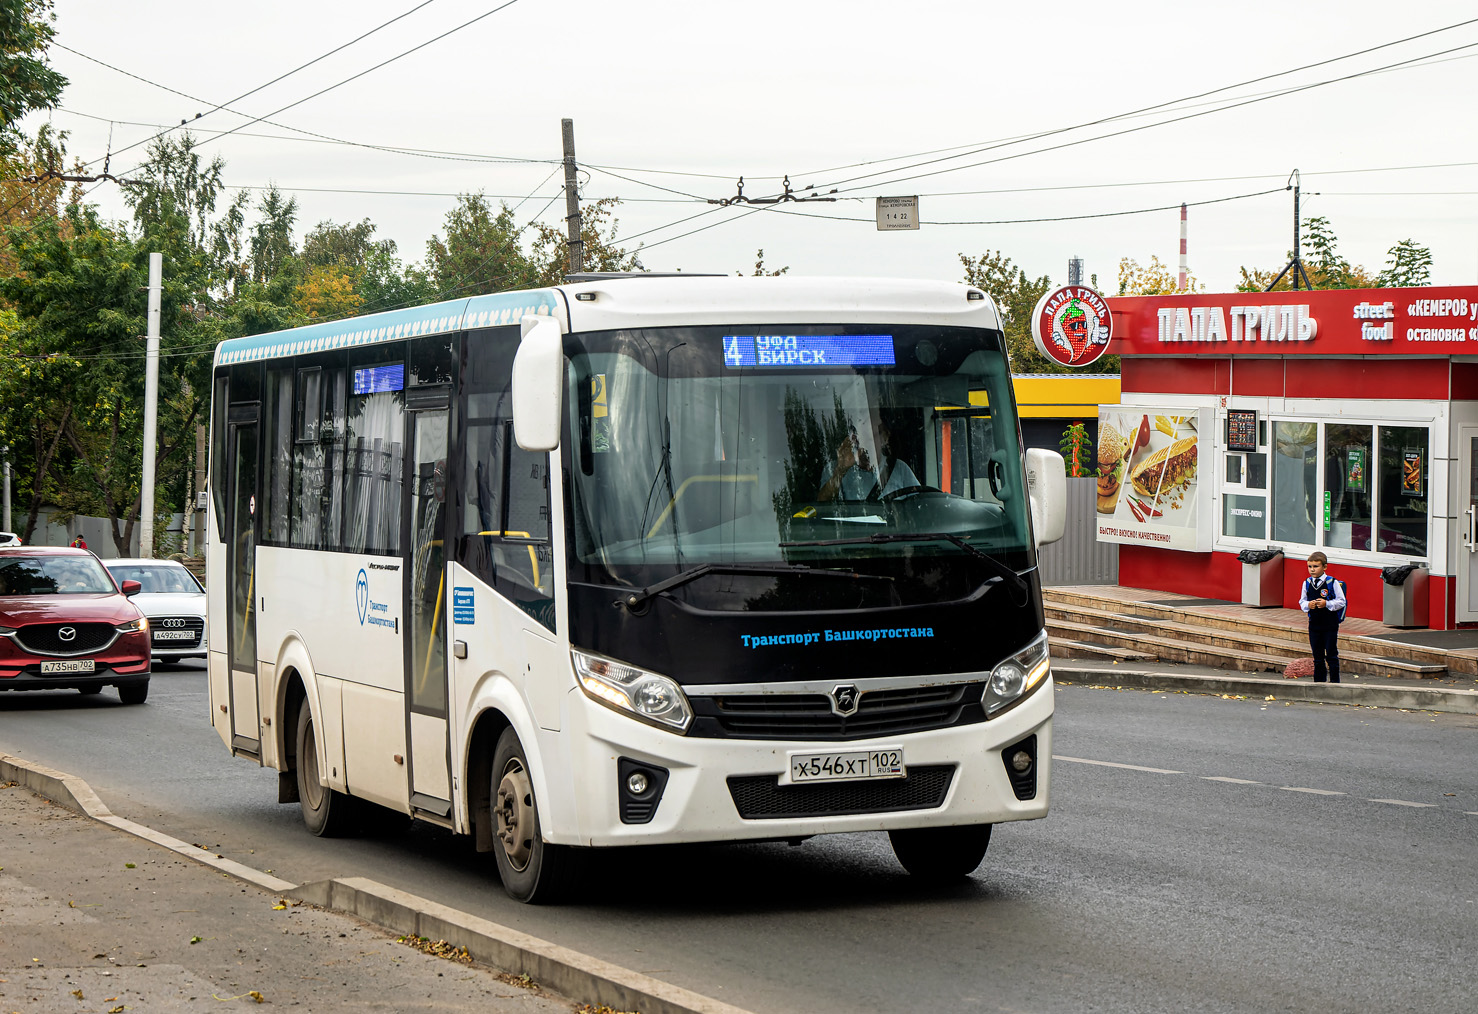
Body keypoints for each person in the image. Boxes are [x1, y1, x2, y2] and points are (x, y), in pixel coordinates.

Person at [817, 413, 919, 502]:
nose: (864, 441)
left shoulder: (900, 468)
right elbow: (822, 505)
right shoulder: (833, 468)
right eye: (859, 434)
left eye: (870, 434)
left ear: (885, 437)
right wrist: (841, 470)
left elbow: (919, 505)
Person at [1299, 551, 1344, 684]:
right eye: (1310, 566)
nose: (1312, 570)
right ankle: (1318, 683)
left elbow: (1341, 601)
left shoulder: (1332, 582)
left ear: (1324, 567)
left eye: (1316, 566)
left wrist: (1327, 603)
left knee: (1331, 654)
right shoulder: (1306, 583)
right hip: (1314, 624)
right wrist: (1308, 604)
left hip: (1329, 624)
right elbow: (1302, 601)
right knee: (1317, 656)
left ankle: (1335, 682)